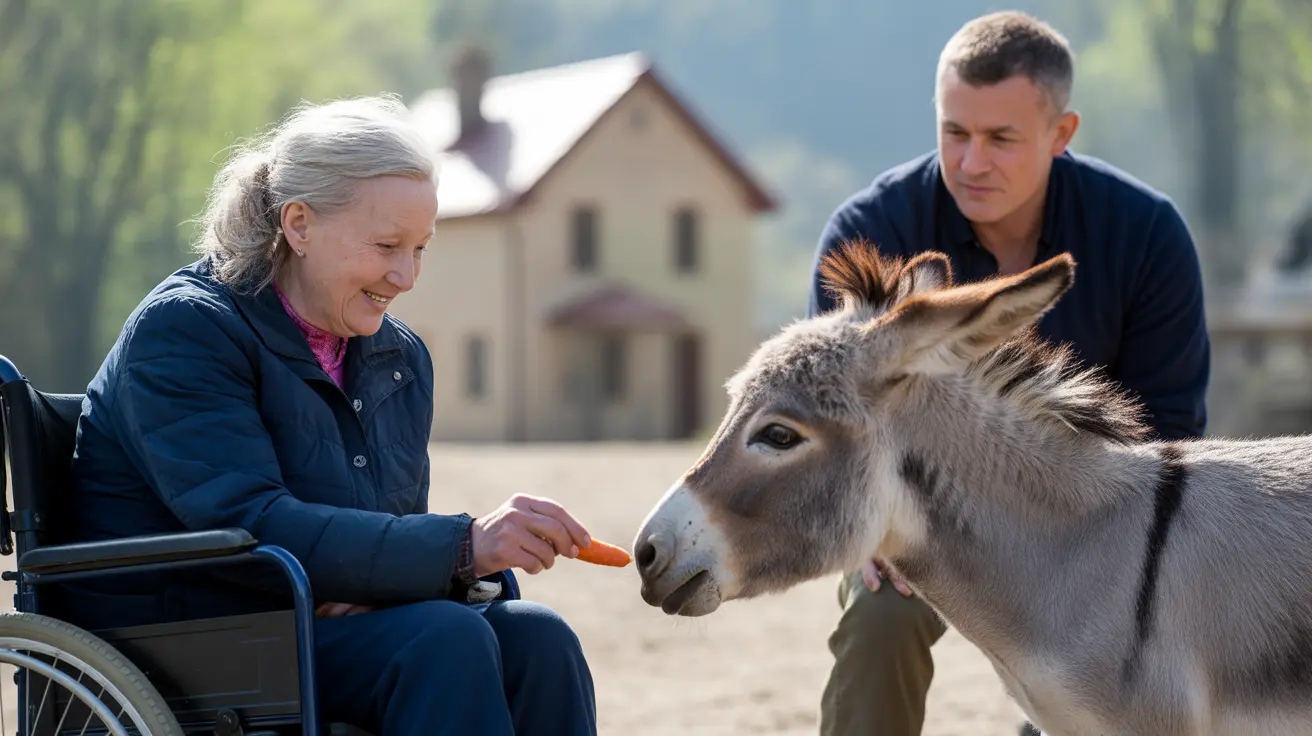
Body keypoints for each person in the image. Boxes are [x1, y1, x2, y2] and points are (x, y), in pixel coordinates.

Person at [57, 94, 597, 736]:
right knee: (442, 642)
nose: (406, 275)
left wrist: (439, 573)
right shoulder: (186, 332)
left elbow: (377, 533)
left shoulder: (399, 358)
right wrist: (462, 547)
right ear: (299, 225)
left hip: (302, 625)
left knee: (539, 639)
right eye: (387, 244)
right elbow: (250, 520)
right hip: (188, 641)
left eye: (421, 248)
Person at [806, 11, 1210, 736]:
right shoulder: (868, 232)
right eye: (955, 132)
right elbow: (839, 428)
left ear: (1062, 134)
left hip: (1089, 522)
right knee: (878, 619)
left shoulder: (1149, 236)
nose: (970, 162)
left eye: (1000, 139)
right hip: (912, 513)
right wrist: (876, 535)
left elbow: (1168, 438)